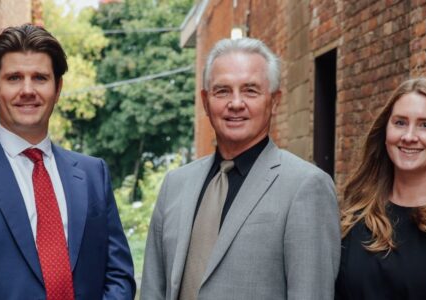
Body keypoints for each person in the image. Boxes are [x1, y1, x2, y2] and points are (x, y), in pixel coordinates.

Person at [0, 24, 135, 300]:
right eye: (14, 78)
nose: (27, 90)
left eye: (40, 78)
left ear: (58, 88)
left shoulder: (94, 174)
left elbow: (119, 275)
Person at [140, 37, 340, 300]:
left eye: (250, 90)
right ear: (205, 101)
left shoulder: (306, 186)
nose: (235, 103)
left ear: (274, 100)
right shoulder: (175, 184)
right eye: (222, 91)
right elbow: (153, 291)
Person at [336, 78, 426, 299]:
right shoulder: (354, 218)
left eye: (425, 125)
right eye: (400, 123)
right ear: (385, 131)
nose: (408, 136)